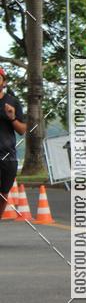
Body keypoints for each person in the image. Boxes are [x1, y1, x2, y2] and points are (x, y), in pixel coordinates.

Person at [0, 67, 26, 219]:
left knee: (3, 193)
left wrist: (12, 117)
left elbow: (22, 130)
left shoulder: (12, 102)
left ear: (4, 81)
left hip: (8, 156)